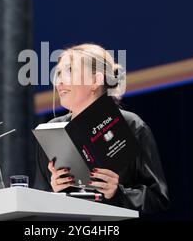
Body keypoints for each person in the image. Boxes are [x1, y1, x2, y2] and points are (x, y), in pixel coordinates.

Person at [34, 43, 170, 214]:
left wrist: (116, 192)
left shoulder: (131, 126)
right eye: (58, 73)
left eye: (69, 71)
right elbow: (36, 202)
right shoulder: (52, 131)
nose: (59, 81)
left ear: (95, 80)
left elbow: (158, 200)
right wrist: (53, 191)